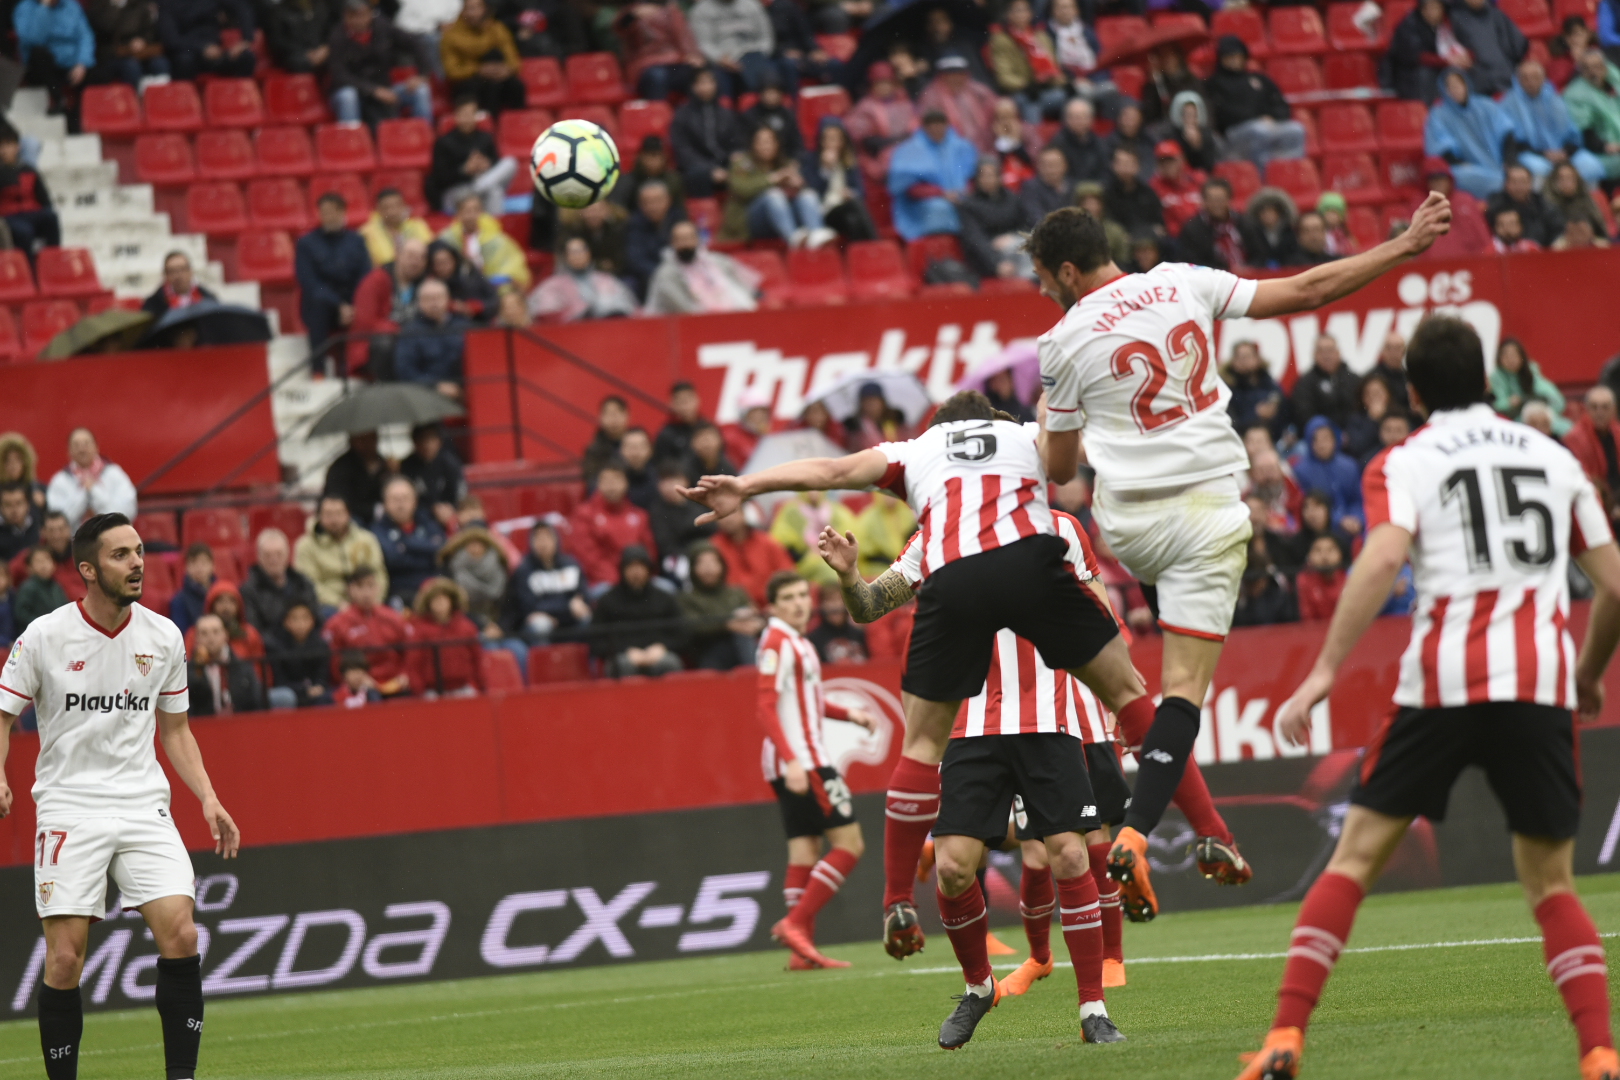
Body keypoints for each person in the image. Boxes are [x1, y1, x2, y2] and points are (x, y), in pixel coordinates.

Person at [1024, 193, 1455, 923]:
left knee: (1139, 682)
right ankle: (1138, 826)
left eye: (1041, 278)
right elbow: (1310, 288)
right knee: (1184, 694)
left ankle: (1160, 829)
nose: (1041, 291)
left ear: (1066, 271)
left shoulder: (1061, 342)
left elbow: (1060, 470)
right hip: (1214, 517)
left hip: (1129, 525)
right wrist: (1402, 247)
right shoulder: (1183, 280)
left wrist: (1048, 421)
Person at [1235, 314, 1620, 1080]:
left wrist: (1322, 672)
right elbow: (1613, 584)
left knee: (1353, 862)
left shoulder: (1403, 459)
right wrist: (1585, 673)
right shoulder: (1556, 458)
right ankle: (1600, 1053)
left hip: (1441, 683)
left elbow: (1382, 559)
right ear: (1486, 380)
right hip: (1538, 683)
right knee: (1550, 882)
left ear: (1411, 392)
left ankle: (1284, 1038)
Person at [679, 390, 1158, 999]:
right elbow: (873, 605)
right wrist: (851, 577)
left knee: (1071, 848)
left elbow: (1097, 614)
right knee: (989, 858)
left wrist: (1106, 702)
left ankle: (1099, 979)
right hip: (972, 721)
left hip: (1051, 715)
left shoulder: (1059, 530)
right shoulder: (936, 536)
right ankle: (1006, 968)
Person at [0, 512, 238, 1080]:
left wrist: (207, 796)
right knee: (64, 958)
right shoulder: (44, 636)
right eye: (120, 555)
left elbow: (176, 729)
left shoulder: (162, 636)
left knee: (181, 933)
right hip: (68, 804)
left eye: (138, 551)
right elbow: (3, 714)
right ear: (86, 569)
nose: (137, 562)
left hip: (140, 802)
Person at [753, 570, 874, 970]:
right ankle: (796, 924)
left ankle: (800, 951)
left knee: (805, 850)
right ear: (773, 606)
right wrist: (792, 760)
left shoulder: (797, 642)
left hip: (797, 759)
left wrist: (849, 714)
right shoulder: (777, 642)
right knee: (850, 844)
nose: (799, 603)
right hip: (804, 760)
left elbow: (810, 700)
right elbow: (765, 706)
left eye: (802, 594)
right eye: (788, 597)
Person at [1205, 36, 1307, 171]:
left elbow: (1281, 104)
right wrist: (1256, 119)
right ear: (1222, 59)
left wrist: (1273, 117)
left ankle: (1291, 175)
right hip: (1234, 134)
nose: (1234, 60)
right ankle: (1261, 179)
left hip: (1267, 126)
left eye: (1238, 56)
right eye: (1230, 56)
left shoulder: (1260, 79)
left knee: (1296, 129)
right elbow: (1222, 114)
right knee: (1259, 131)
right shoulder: (1214, 84)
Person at [296, 191, 372, 371]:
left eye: (331, 211)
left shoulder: (357, 240)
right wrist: (339, 304)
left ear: (342, 212)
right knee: (317, 304)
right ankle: (318, 370)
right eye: (323, 212)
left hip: (352, 302)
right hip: (323, 304)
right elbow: (309, 281)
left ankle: (357, 368)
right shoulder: (307, 243)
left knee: (368, 305)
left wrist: (353, 305)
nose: (327, 216)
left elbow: (365, 274)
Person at [1504, 59, 1608, 187]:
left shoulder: (1555, 100)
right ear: (1518, 80)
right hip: (1531, 154)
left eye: (1535, 77)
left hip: (1562, 152)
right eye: (1525, 78)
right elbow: (1512, 141)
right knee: (1539, 170)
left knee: (1590, 166)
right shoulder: (1509, 104)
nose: (1530, 82)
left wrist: (1565, 152)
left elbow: (1572, 133)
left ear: (1544, 78)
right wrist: (1544, 154)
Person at [328, 0, 433, 126]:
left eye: (360, 14)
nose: (356, 20)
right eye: (351, 15)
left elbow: (415, 43)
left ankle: (424, 134)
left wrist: (422, 75)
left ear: (370, 14)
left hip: (385, 88)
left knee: (421, 90)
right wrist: (373, 90)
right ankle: (352, 140)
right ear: (345, 16)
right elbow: (340, 75)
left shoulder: (382, 27)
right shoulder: (337, 37)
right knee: (347, 96)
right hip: (357, 92)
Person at [592, 544, 687, 676]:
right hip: (624, 656)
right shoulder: (608, 601)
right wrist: (624, 651)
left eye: (641, 566)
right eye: (631, 566)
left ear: (649, 569)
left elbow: (682, 635)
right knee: (621, 664)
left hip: (659, 654)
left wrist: (663, 647)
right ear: (622, 570)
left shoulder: (664, 598)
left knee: (670, 662)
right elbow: (596, 642)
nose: (636, 572)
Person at [888, 109, 978, 243]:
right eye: (932, 126)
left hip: (962, 197)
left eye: (940, 125)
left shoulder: (962, 146)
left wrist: (966, 192)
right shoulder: (910, 150)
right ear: (924, 127)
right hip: (924, 204)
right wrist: (942, 193)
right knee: (939, 209)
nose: (937, 129)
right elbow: (910, 188)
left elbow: (973, 177)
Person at [1425, 67, 1517, 199]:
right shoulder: (1438, 114)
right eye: (1449, 87)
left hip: (1499, 163)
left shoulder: (1486, 104)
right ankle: (1505, 188)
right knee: (1459, 175)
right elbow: (1439, 147)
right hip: (1467, 169)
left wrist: (1509, 160)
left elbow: (1506, 130)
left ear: (1466, 84)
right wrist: (1460, 163)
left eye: (1458, 85)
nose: (1455, 90)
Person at [568, 460, 657, 593]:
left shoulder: (640, 515)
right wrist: (621, 582)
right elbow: (588, 557)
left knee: (666, 589)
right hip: (603, 583)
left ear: (626, 483)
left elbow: (649, 551)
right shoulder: (584, 515)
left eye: (616, 480)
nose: (612, 486)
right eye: (606, 481)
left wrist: (640, 577)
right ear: (598, 484)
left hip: (640, 580)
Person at [427, 93, 518, 215]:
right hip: (457, 189)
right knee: (495, 191)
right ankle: (479, 189)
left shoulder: (486, 137)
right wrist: (465, 170)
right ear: (456, 116)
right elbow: (440, 178)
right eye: (464, 114)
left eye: (472, 114)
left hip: (482, 182)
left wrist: (486, 165)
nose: (468, 118)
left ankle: (491, 229)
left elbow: (496, 165)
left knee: (510, 162)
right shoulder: (443, 142)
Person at [322, 565, 409, 693]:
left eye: (371, 586)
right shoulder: (337, 624)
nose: (366, 593)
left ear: (378, 588)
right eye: (360, 586)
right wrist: (356, 680)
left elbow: (410, 653)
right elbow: (334, 664)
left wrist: (404, 674)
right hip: (358, 689)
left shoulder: (394, 618)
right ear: (350, 589)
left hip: (395, 684)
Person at [502, 521, 590, 644]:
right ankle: (543, 662)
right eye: (538, 537)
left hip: (570, 623)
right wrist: (568, 608)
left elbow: (583, 598)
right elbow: (528, 607)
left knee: (590, 620)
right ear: (531, 542)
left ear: (556, 539)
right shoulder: (524, 570)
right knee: (541, 624)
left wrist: (577, 604)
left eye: (547, 536)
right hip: (538, 626)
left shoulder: (571, 565)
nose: (543, 542)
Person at [294, 496, 389, 610]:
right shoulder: (306, 546)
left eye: (339, 513)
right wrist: (338, 603)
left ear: (348, 514)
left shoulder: (367, 539)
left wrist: (375, 600)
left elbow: (379, 574)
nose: (334, 520)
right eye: (328, 514)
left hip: (368, 601)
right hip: (329, 605)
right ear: (318, 516)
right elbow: (309, 584)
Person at [678, 541, 760, 669]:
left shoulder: (737, 592)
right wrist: (728, 624)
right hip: (708, 651)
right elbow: (694, 627)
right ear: (692, 568)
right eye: (702, 563)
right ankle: (754, 674)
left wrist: (757, 623)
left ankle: (753, 673)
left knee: (745, 636)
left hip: (744, 645)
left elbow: (755, 618)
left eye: (713, 562)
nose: (708, 568)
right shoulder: (686, 598)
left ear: (722, 565)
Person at [670, 67, 747, 199]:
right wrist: (710, 169)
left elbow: (737, 142)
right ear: (693, 86)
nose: (706, 87)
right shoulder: (682, 115)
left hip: (725, 164)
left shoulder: (727, 114)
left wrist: (736, 156)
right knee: (696, 175)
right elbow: (683, 150)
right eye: (701, 82)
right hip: (699, 167)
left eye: (710, 82)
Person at [371, 475, 447, 606]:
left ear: (415, 501)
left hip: (435, 591)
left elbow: (442, 550)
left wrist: (405, 543)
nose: (401, 504)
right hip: (399, 593)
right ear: (385, 503)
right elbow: (393, 558)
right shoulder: (377, 531)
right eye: (395, 499)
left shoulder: (429, 523)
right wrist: (426, 548)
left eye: (405, 498)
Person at [439, 0, 523, 116]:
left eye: (477, 8)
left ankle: (517, 123)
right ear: (462, 11)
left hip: (496, 77)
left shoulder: (497, 28)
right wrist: (479, 69)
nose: (474, 13)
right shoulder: (451, 35)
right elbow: (452, 70)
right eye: (470, 9)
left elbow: (513, 58)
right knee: (487, 86)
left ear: (485, 9)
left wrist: (507, 69)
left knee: (515, 85)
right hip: (468, 81)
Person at [529, 236, 639, 322]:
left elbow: (629, 307)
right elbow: (546, 313)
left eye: (582, 251)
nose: (578, 256)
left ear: (589, 254)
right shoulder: (552, 285)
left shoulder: (607, 279)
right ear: (565, 257)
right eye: (573, 252)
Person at [845, 61, 918, 190]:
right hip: (877, 158)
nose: (883, 87)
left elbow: (914, 130)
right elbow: (869, 142)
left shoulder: (903, 102)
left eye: (887, 83)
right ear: (872, 86)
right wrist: (895, 143)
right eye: (879, 83)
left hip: (907, 151)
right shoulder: (865, 106)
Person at [799, 119, 875, 242]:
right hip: (824, 212)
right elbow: (812, 194)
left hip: (845, 209)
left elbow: (861, 191)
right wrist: (826, 169)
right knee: (854, 206)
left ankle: (861, 254)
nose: (831, 143)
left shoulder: (849, 161)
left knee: (852, 220)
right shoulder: (811, 160)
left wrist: (851, 193)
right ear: (821, 140)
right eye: (828, 139)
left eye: (835, 139)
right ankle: (876, 242)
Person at [960, 155, 1035, 280]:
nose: (987, 180)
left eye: (991, 175)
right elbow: (975, 240)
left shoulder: (1012, 199)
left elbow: (1027, 224)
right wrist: (996, 264)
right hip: (989, 257)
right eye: (983, 176)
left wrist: (1012, 236)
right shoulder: (969, 205)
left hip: (1016, 244)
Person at [45, 428, 136, 529]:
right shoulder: (60, 481)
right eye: (76, 445)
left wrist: (94, 490)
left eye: (86, 444)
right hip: (73, 542)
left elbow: (126, 514)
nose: (82, 449)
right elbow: (59, 523)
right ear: (69, 451)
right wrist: (83, 493)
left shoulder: (114, 474)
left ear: (96, 447)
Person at [688, 0, 782, 98]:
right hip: (723, 59)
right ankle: (727, 110)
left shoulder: (752, 5)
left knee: (768, 76)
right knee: (719, 78)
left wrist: (759, 56)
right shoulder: (701, 10)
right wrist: (720, 59)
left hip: (753, 55)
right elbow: (704, 43)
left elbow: (766, 38)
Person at [405, 576, 482, 697]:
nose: (439, 603)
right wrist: (419, 693)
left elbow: (478, 661)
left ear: (452, 601)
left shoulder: (467, 628)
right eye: (435, 600)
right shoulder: (420, 631)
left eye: (443, 599)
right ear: (428, 603)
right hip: (432, 692)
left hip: (463, 688)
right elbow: (414, 665)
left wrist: (482, 689)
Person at [393, 277, 470, 394]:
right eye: (428, 299)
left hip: (468, 389)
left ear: (447, 299)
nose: (434, 303)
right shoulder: (410, 332)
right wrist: (436, 386)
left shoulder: (465, 327)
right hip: (428, 393)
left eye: (438, 298)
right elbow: (406, 371)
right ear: (419, 302)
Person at [439, 192, 530, 289]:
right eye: (467, 211)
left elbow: (512, 265)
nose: (471, 216)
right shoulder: (447, 239)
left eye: (476, 210)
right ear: (458, 214)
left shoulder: (496, 239)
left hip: (491, 288)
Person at [615, 0, 704, 100]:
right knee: (658, 76)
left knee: (698, 74)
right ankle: (658, 113)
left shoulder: (672, 11)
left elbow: (683, 35)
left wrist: (692, 54)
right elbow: (620, 29)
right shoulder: (632, 11)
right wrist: (633, 15)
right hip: (645, 66)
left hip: (675, 62)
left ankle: (696, 113)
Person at [240, 528, 319, 635]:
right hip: (271, 649)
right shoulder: (249, 591)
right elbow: (255, 630)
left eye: (279, 554)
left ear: (288, 554)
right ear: (259, 557)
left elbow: (317, 621)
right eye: (268, 555)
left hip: (306, 647)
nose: (274, 560)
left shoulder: (304, 584)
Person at [1294, 417, 1366, 534]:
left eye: (1326, 438)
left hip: (1354, 525)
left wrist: (1357, 518)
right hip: (1320, 529)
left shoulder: (1349, 466)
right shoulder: (1301, 471)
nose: (1321, 444)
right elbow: (1307, 506)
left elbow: (1358, 499)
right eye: (1315, 440)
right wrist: (1339, 520)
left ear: (1335, 439)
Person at [187, 612, 268, 715]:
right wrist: (198, 667)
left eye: (215, 632)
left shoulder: (242, 666)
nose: (210, 638)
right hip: (205, 726)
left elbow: (257, 701)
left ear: (225, 635)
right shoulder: (190, 670)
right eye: (204, 633)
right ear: (197, 639)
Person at [156, 0, 255, 80]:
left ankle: (239, 100)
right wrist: (202, 47)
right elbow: (171, 40)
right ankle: (186, 102)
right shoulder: (167, 3)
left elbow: (242, 7)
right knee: (185, 61)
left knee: (246, 57)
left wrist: (246, 40)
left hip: (216, 52)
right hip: (188, 52)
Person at [0, 123, 58, 257]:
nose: (3, 150)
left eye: (8, 145)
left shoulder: (29, 171)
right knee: (24, 231)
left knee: (50, 217)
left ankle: (52, 259)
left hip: (31, 211)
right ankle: (28, 270)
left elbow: (45, 200)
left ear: (17, 147)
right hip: (9, 216)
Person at [1563, 49, 1620, 184]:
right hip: (1601, 152)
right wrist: (1607, 146)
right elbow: (1585, 133)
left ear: (1605, 68)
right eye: (1587, 68)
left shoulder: (1615, 83)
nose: (1593, 72)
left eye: (1597, 66)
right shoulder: (1575, 95)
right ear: (1581, 72)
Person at [1450, 0, 1529, 97]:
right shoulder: (1455, 18)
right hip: (1476, 78)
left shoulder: (1497, 15)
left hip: (1506, 73)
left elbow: (1518, 44)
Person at [264, 600, 333, 707]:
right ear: (286, 622)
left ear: (313, 621)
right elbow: (279, 680)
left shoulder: (321, 644)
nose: (300, 623)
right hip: (291, 691)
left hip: (315, 692)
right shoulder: (275, 646)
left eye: (305, 618)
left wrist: (319, 686)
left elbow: (322, 674)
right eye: (295, 619)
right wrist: (303, 690)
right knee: (285, 697)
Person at [1388, 0, 1457, 103]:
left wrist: (1463, 57)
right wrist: (1447, 61)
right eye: (1427, 8)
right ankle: (1426, 112)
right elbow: (1416, 56)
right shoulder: (1408, 25)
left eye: (1435, 8)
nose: (1431, 12)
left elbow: (1463, 44)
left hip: (1439, 69)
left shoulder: (1447, 23)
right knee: (1425, 74)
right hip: (1408, 75)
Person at [1178, 177, 1253, 271]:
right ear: (1203, 201)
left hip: (1249, 275)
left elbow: (1259, 254)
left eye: (1220, 199)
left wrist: (1250, 268)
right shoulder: (1193, 229)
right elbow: (1193, 263)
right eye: (1212, 200)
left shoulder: (1245, 222)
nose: (1216, 204)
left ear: (1230, 200)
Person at [625, 180, 684, 299]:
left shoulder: (680, 219)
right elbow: (635, 259)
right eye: (647, 202)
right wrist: (663, 275)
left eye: (657, 201)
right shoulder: (634, 224)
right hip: (650, 276)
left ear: (668, 200)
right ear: (640, 205)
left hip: (679, 272)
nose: (652, 207)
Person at [400, 423, 466, 529]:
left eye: (431, 439)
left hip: (450, 512)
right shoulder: (408, 465)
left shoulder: (450, 463)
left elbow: (460, 492)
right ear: (415, 443)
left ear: (439, 441)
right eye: (422, 440)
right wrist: (432, 508)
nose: (427, 444)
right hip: (419, 516)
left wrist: (451, 508)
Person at [1566, 385, 1620, 515]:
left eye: (1605, 407)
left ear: (1614, 410)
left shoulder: (1617, 433)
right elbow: (1584, 479)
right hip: (1595, 502)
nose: (1600, 412)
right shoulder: (1575, 439)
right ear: (1586, 409)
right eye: (1594, 407)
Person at [1292, 334, 1363, 431]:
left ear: (1338, 353)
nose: (1326, 356)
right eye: (1321, 351)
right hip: (1321, 438)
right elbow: (1304, 415)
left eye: (1330, 350)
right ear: (1314, 354)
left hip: (1354, 435)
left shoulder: (1354, 380)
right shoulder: (1305, 384)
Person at [1224, 340, 1290, 443]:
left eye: (1248, 356)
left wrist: (1275, 411)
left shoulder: (1269, 383)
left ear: (1257, 358)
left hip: (1275, 439)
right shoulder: (1228, 389)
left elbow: (1285, 408)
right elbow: (1231, 422)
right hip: (1245, 441)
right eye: (1240, 357)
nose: (1244, 361)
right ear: (1233, 362)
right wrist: (1256, 415)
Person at [322, 430, 388, 526]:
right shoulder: (341, 467)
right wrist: (373, 509)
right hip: (353, 517)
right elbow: (338, 499)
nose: (368, 444)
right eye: (362, 440)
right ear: (352, 441)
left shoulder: (383, 462)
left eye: (372, 439)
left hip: (382, 517)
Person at [1486, 162, 1561, 247]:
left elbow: (1557, 233)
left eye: (1523, 181)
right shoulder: (1495, 206)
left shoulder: (1543, 205)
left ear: (1531, 183)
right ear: (1505, 184)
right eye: (1514, 182)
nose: (1519, 186)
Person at [611, 135, 687, 215]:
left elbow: (680, 210)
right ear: (640, 157)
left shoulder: (673, 180)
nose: (653, 161)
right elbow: (618, 210)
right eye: (649, 156)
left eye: (656, 156)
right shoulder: (627, 181)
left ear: (664, 157)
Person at [1102, 145, 1162, 238]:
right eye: (1120, 163)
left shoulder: (1148, 193)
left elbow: (1158, 223)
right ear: (1113, 165)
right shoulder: (1106, 193)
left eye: (1129, 163)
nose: (1125, 168)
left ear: (1138, 166)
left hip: (1144, 241)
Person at [1149, 140, 1204, 238]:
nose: (1167, 165)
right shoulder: (1154, 186)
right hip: (1175, 239)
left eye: (1171, 160)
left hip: (1203, 235)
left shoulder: (1199, 179)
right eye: (1162, 161)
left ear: (1181, 159)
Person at [1047, 97, 1107, 185]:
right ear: (1066, 119)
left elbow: (1104, 171)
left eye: (1082, 117)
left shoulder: (1099, 143)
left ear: (1091, 119)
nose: (1078, 121)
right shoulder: (1058, 144)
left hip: (1095, 191)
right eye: (1074, 117)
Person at [141, 251, 215, 320]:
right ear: (165, 275)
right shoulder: (153, 304)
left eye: (182, 269)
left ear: (191, 271)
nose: (178, 276)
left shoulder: (207, 298)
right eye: (172, 271)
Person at [264, 0, 331, 75]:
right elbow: (277, 42)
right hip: (293, 55)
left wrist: (325, 48)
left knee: (337, 59)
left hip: (320, 51)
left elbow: (330, 31)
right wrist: (306, 53)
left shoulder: (320, 6)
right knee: (301, 62)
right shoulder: (278, 11)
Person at [14, 544, 69, 631]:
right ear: (29, 568)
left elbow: (64, 607)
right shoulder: (28, 587)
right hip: (36, 633)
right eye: (38, 561)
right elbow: (22, 614)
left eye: (47, 560)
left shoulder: (56, 586)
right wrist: (42, 624)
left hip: (56, 630)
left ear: (54, 564)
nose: (43, 565)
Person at [808, 586, 867, 664]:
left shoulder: (860, 634)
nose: (836, 605)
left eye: (840, 600)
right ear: (821, 605)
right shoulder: (813, 639)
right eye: (830, 600)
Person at [1019, 145, 1074, 224]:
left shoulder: (1074, 186)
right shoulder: (1030, 188)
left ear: (1065, 165)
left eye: (1055, 164)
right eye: (1046, 165)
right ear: (1038, 166)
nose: (1051, 170)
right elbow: (1035, 217)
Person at [1, 432, 47, 511]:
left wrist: (44, 505)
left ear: (26, 462)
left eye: (18, 459)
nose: (13, 465)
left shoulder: (38, 490)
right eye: (7, 460)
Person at [0, 483, 39, 565]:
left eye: (19, 503)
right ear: (1, 507)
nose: (14, 510)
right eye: (8, 505)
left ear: (28, 504)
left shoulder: (39, 526)